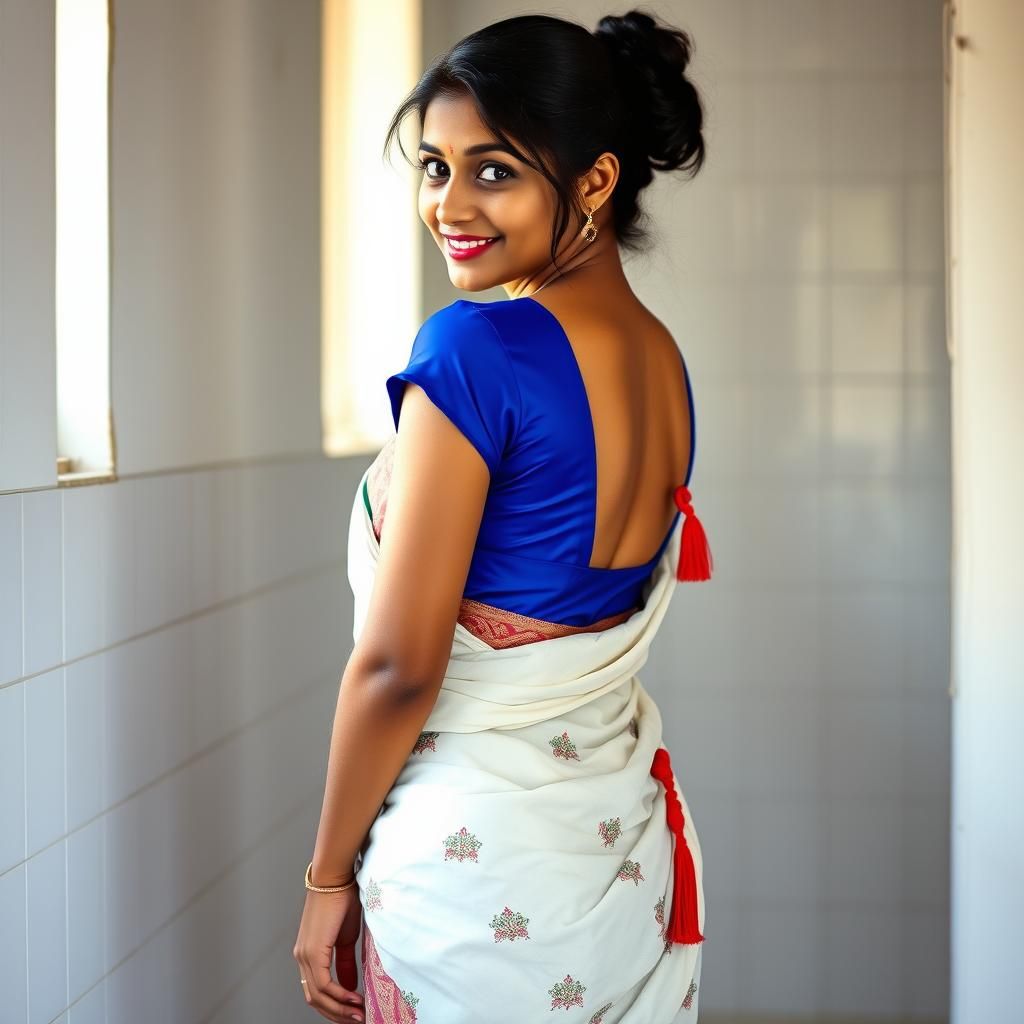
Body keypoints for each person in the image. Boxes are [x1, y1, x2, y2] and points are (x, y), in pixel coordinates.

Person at [293, 10, 713, 1023]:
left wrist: (323, 880)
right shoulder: (663, 360)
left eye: (493, 170)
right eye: (434, 167)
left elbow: (398, 665)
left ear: (596, 182)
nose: (447, 204)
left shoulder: (477, 350)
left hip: (473, 876)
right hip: (613, 863)